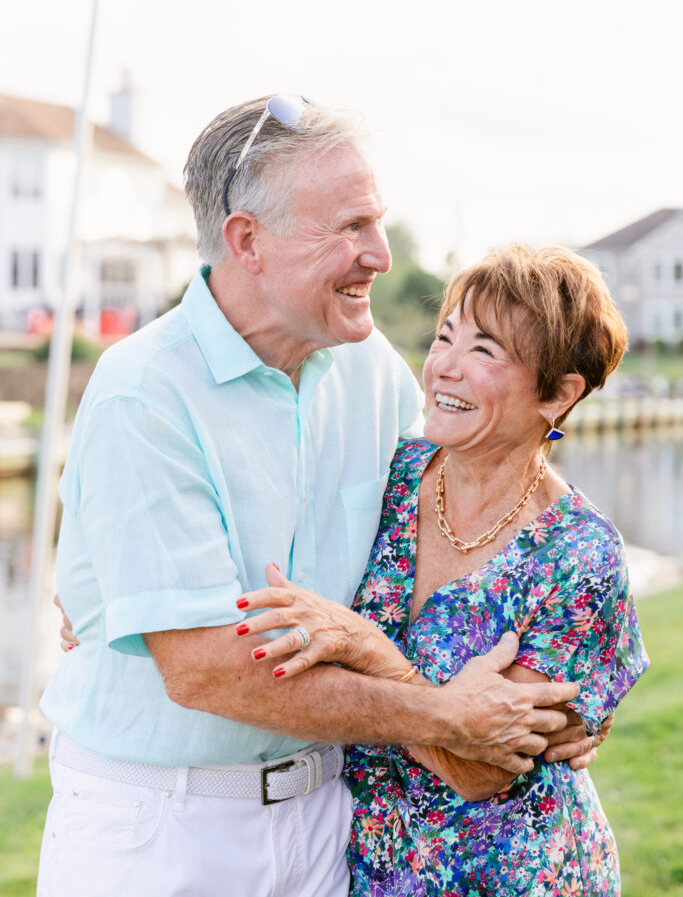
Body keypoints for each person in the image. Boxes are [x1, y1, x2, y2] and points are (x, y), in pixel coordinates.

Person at [39, 95, 584, 897]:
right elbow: (206, 673)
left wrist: (573, 630)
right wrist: (446, 717)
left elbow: (489, 481)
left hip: (330, 818)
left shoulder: (368, 372)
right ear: (247, 240)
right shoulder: (143, 393)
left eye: (377, 223)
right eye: (350, 228)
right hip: (160, 830)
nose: (380, 255)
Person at [238, 244, 649, 896]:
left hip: (517, 874)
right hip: (367, 861)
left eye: (484, 351)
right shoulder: (390, 474)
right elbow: (255, 524)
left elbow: (483, 768)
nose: (444, 369)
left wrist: (369, 651)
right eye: (444, 337)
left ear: (558, 394)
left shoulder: (576, 553)